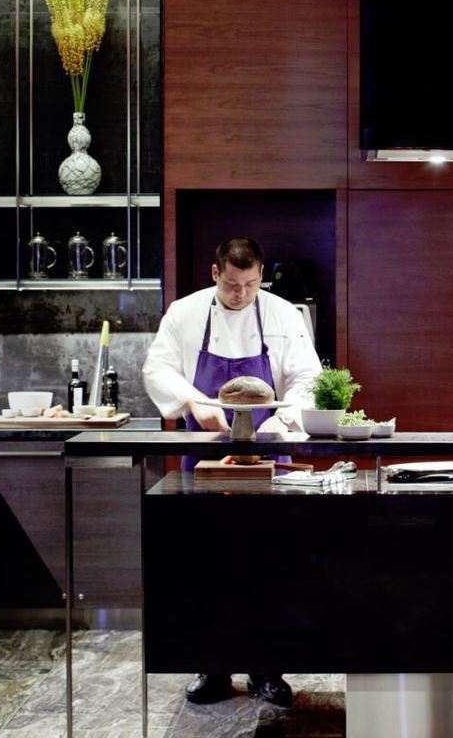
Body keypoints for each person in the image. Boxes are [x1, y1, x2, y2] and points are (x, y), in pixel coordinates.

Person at [142, 236, 322, 707]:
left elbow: (308, 377)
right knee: (205, 560)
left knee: (271, 563)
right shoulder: (184, 313)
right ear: (214, 272)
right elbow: (157, 369)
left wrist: (280, 424)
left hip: (271, 456)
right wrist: (194, 403)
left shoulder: (284, 314)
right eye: (231, 284)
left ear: (261, 275)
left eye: (250, 284)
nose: (241, 294)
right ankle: (213, 667)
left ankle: (267, 669)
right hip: (204, 455)